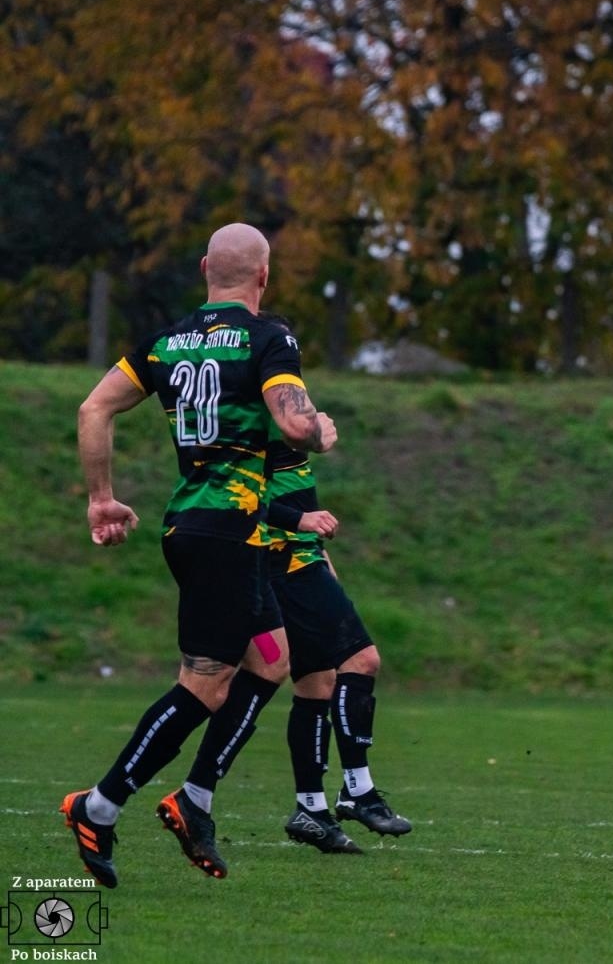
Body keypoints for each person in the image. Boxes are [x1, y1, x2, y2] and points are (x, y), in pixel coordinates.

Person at [63, 222, 337, 887]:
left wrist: (101, 497)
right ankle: (97, 805)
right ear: (263, 276)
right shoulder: (269, 335)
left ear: (206, 266)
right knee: (204, 685)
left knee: (271, 656)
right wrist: (317, 429)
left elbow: (93, 408)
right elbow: (292, 417)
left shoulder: (165, 343)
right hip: (226, 534)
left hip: (195, 527)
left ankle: (196, 798)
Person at [263, 430, 413, 853]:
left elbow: (298, 494)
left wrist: (321, 557)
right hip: (285, 563)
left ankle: (310, 809)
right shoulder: (253, 415)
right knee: (362, 660)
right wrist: (313, 430)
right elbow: (238, 500)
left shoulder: (276, 406)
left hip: (303, 558)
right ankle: (357, 792)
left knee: (316, 685)